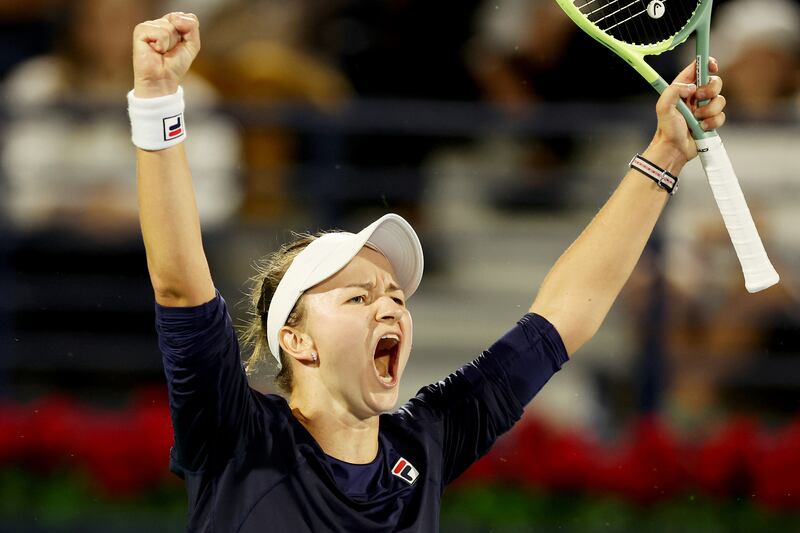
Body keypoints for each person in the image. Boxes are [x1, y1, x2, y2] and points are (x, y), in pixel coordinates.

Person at [130, 12, 726, 532]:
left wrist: (666, 153)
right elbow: (181, 283)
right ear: (296, 339)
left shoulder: (426, 441)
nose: (389, 306)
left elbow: (562, 319)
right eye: (358, 299)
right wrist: (157, 97)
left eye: (394, 295)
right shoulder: (237, 433)